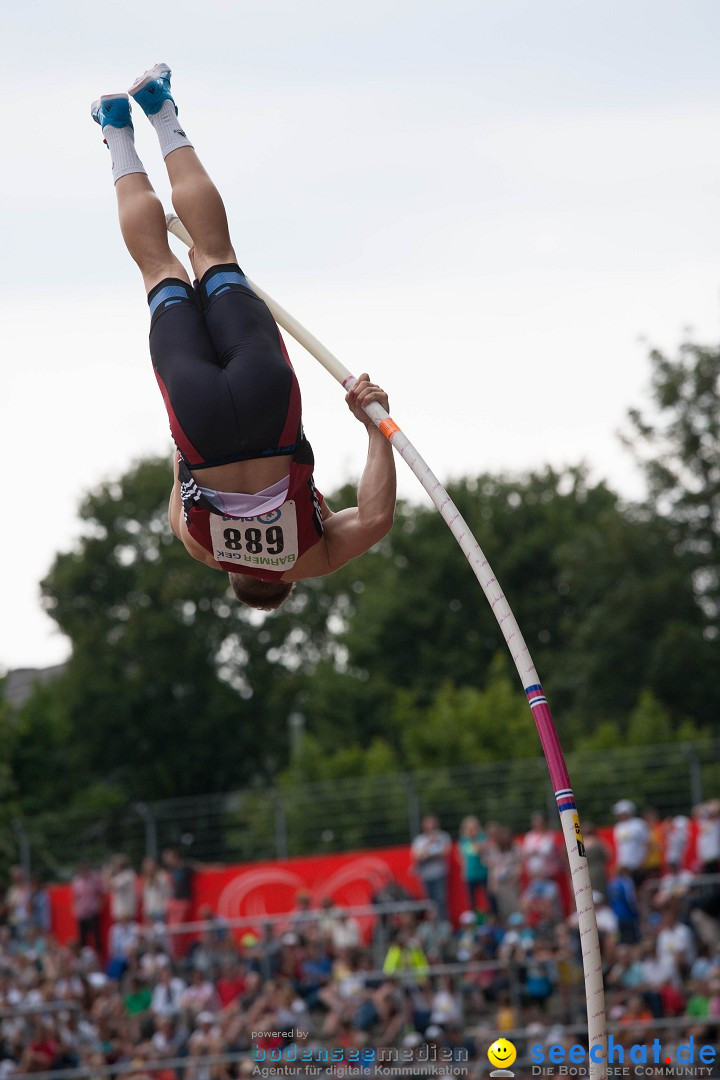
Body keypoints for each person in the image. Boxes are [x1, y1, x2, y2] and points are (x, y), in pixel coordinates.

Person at [91, 64, 396, 612]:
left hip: (267, 411)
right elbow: (179, 471)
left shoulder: (315, 558)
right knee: (160, 267)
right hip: (200, 419)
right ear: (236, 579)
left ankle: (160, 109)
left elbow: (374, 520)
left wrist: (378, 427)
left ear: (286, 583)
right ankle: (115, 129)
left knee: (214, 252)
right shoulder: (202, 549)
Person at [410, 815, 452, 922]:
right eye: (428, 824)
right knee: (429, 903)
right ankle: (434, 926)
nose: (431, 826)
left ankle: (444, 925)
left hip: (439, 874)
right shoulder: (419, 840)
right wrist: (429, 844)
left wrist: (427, 855)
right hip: (425, 875)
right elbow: (418, 856)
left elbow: (444, 852)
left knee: (441, 900)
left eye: (432, 823)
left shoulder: (443, 836)